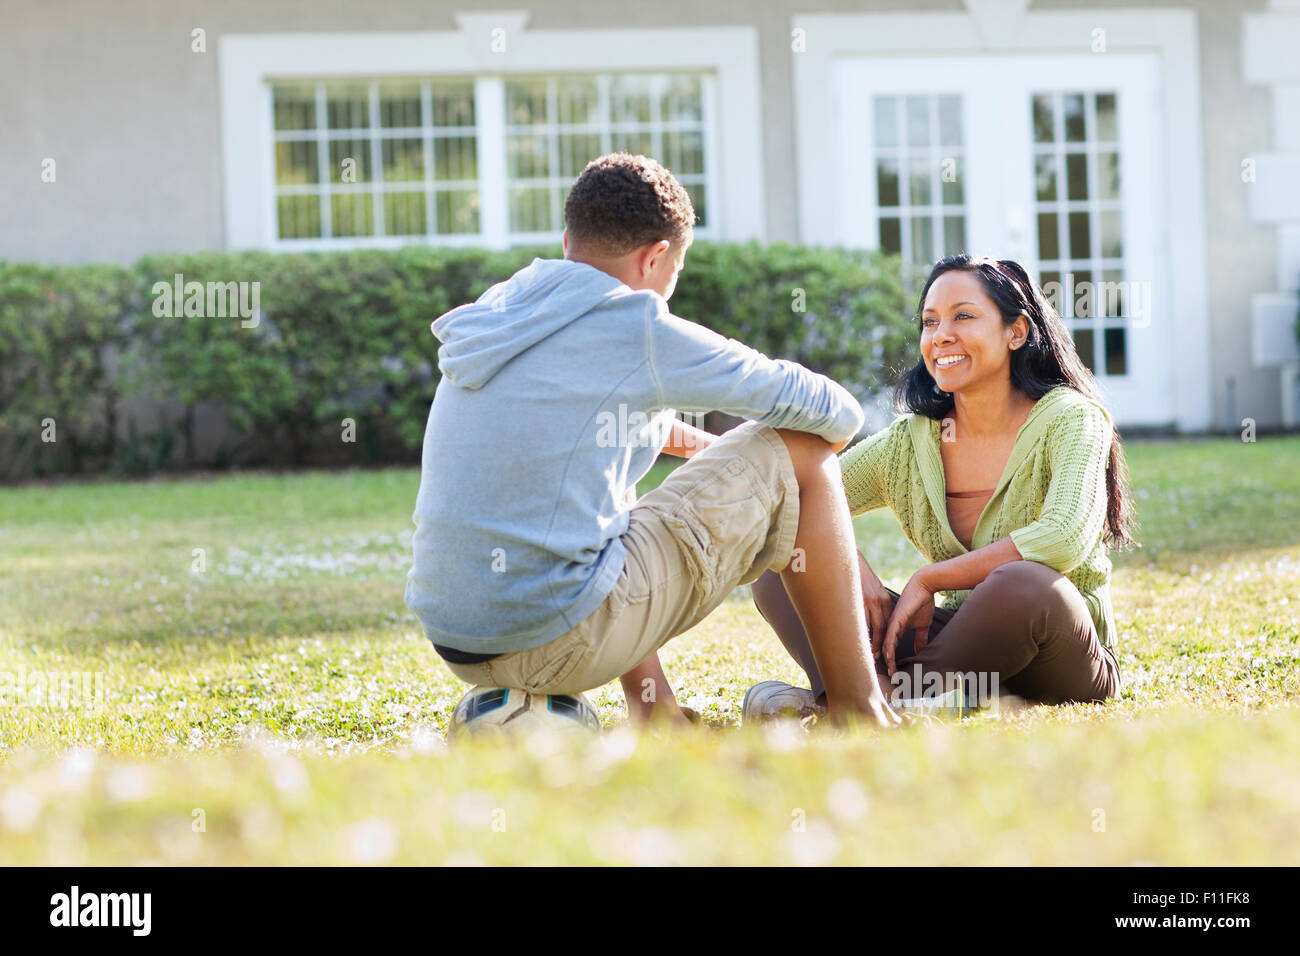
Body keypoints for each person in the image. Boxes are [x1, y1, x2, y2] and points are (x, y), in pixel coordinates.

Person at [404, 152, 897, 728]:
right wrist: (789, 486)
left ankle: (655, 710)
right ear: (657, 256)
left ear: (569, 240)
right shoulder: (638, 326)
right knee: (805, 454)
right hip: (562, 638)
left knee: (610, 498)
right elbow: (834, 414)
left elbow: (596, 423)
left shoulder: (506, 310)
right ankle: (860, 710)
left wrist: (720, 460)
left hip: (460, 639)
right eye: (675, 274)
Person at [746, 255, 1139, 721]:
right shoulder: (912, 443)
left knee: (1025, 583)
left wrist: (931, 578)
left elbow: (1061, 538)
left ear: (1017, 332)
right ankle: (873, 699)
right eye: (930, 322)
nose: (941, 335)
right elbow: (794, 494)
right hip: (956, 643)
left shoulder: (1071, 420)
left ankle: (861, 700)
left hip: (1055, 648)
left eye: (964, 316)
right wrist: (852, 563)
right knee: (781, 567)